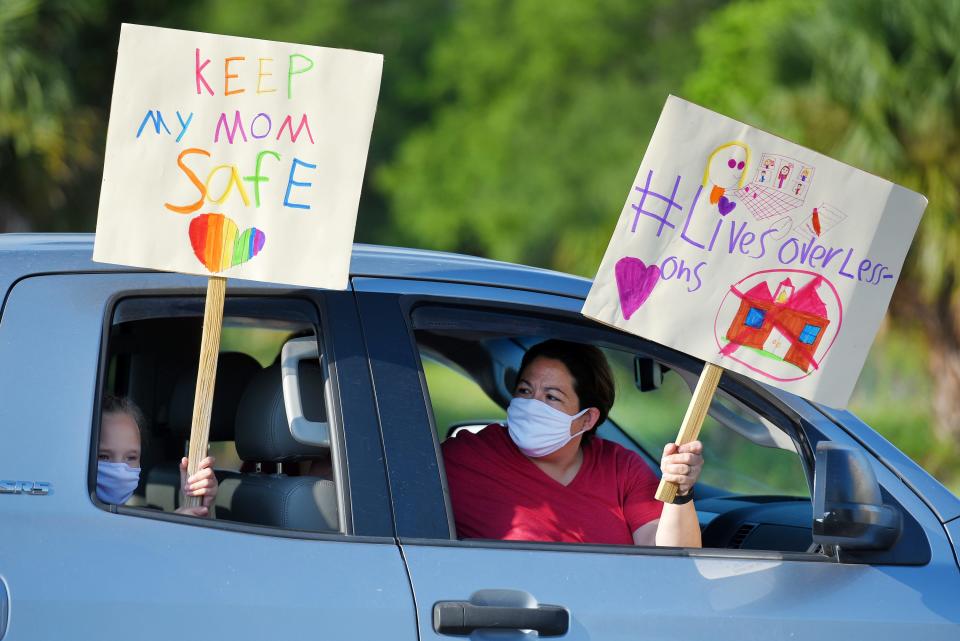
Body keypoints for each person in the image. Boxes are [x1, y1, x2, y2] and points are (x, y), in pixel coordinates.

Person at [441, 339, 704, 547]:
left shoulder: (620, 468)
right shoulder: (465, 459)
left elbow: (668, 560)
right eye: (524, 390)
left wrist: (680, 492)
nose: (532, 405)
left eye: (551, 397)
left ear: (586, 419)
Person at [96, 394, 219, 517]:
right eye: (103, 457)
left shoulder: (138, 518)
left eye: (131, 457)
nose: (120, 471)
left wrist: (197, 503)